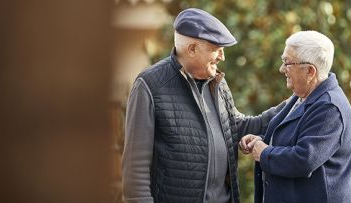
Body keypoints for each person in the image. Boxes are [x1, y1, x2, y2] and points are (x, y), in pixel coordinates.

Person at [122, 8, 285, 203]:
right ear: (192, 49)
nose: (222, 57)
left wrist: (293, 104)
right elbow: (135, 170)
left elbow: (236, 127)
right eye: (216, 49)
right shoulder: (149, 85)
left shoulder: (218, 83)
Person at [239, 31, 351, 203]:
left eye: (287, 63)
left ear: (310, 71)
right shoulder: (301, 96)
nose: (282, 69)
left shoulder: (330, 108)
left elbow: (304, 159)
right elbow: (294, 139)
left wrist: (264, 153)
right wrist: (262, 141)